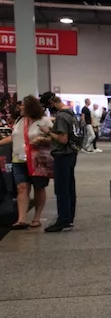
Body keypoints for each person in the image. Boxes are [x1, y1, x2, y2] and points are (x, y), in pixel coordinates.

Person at [0, 95, 51, 229]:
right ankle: (21, 219)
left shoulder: (44, 121)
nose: (20, 107)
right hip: (18, 158)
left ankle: (37, 217)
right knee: (21, 188)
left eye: (23, 105)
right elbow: (13, 137)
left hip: (37, 160)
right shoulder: (19, 120)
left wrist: (41, 140)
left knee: (39, 187)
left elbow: (54, 138)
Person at [44, 93, 81, 232]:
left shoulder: (61, 116)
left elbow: (62, 139)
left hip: (62, 154)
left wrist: (48, 132)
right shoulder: (72, 114)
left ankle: (63, 219)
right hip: (72, 153)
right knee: (70, 186)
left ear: (52, 103)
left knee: (61, 188)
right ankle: (69, 217)